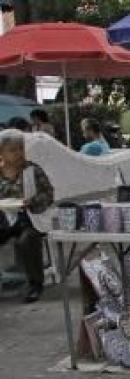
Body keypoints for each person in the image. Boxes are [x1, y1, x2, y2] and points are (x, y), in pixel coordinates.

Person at [0, 129, 55, 302]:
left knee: (27, 240)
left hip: (30, 218)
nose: (18, 154)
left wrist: (30, 202)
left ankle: (35, 285)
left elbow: (48, 194)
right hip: (3, 219)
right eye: (13, 150)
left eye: (20, 149)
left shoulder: (33, 170)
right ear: (1, 153)